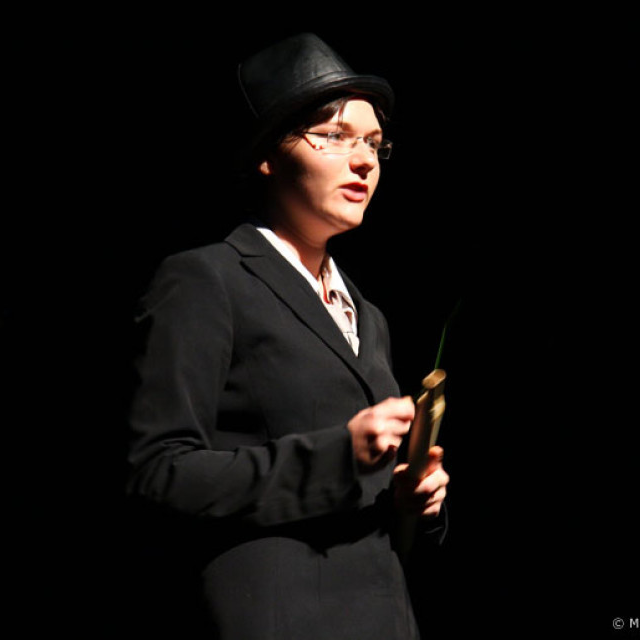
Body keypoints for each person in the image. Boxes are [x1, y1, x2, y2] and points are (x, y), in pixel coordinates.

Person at [125, 33, 449, 639]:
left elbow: (372, 508)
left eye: (374, 143)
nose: (364, 161)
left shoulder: (367, 314)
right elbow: (156, 475)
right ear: (267, 154)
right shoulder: (205, 280)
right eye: (333, 136)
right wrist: (336, 456)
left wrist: (411, 499)